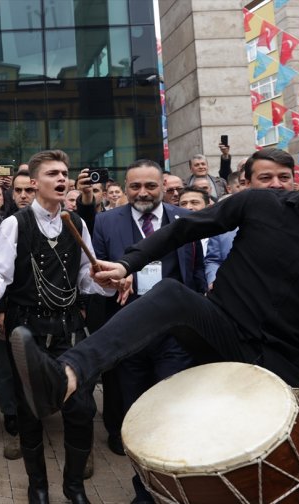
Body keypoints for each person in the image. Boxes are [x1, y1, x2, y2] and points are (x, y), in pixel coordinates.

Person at [9, 132, 299, 462]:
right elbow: (183, 230)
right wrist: (128, 265)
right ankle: (65, 376)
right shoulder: (261, 203)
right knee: (171, 295)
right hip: (219, 331)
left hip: (285, 371)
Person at [0, 149, 115, 504]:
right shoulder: (14, 224)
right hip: (28, 331)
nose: (61, 178)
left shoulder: (77, 223)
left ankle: (74, 486)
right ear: (35, 183)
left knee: (82, 408)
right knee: (30, 412)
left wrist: (109, 283)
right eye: (52, 173)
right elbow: (0, 270)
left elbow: (87, 278)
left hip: (70, 329)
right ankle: (37, 485)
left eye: (64, 173)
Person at [92, 159, 206, 504]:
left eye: (150, 186)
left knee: (171, 413)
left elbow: (196, 270)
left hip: (175, 336)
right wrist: (113, 281)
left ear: (163, 186)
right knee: (137, 415)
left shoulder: (185, 220)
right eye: (135, 186)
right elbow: (94, 276)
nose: (142, 193)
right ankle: (145, 489)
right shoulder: (105, 221)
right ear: (126, 188)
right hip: (130, 334)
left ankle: (173, 489)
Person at [204, 147, 295, 288]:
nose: (276, 184)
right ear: (247, 184)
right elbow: (213, 260)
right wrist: (214, 281)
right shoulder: (224, 220)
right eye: (266, 178)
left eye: (284, 177)